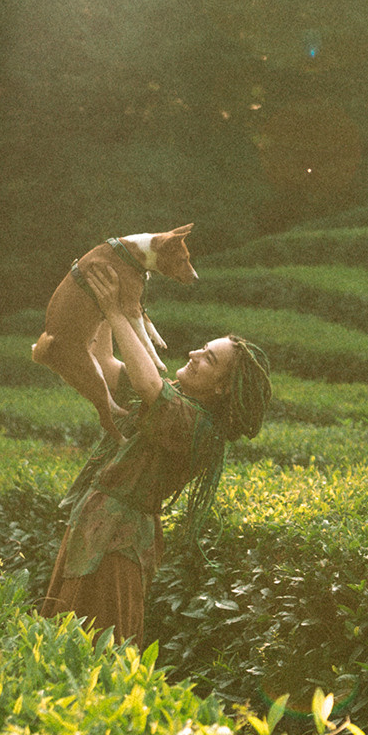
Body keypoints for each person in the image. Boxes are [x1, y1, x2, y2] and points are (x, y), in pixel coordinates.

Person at [37, 259, 271, 643]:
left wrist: (116, 310)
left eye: (209, 359)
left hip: (118, 544)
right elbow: (104, 364)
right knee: (66, 640)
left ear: (222, 389)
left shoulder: (197, 426)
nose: (195, 354)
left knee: (95, 645)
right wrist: (97, 306)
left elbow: (148, 385)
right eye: (203, 348)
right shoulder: (173, 401)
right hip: (96, 527)